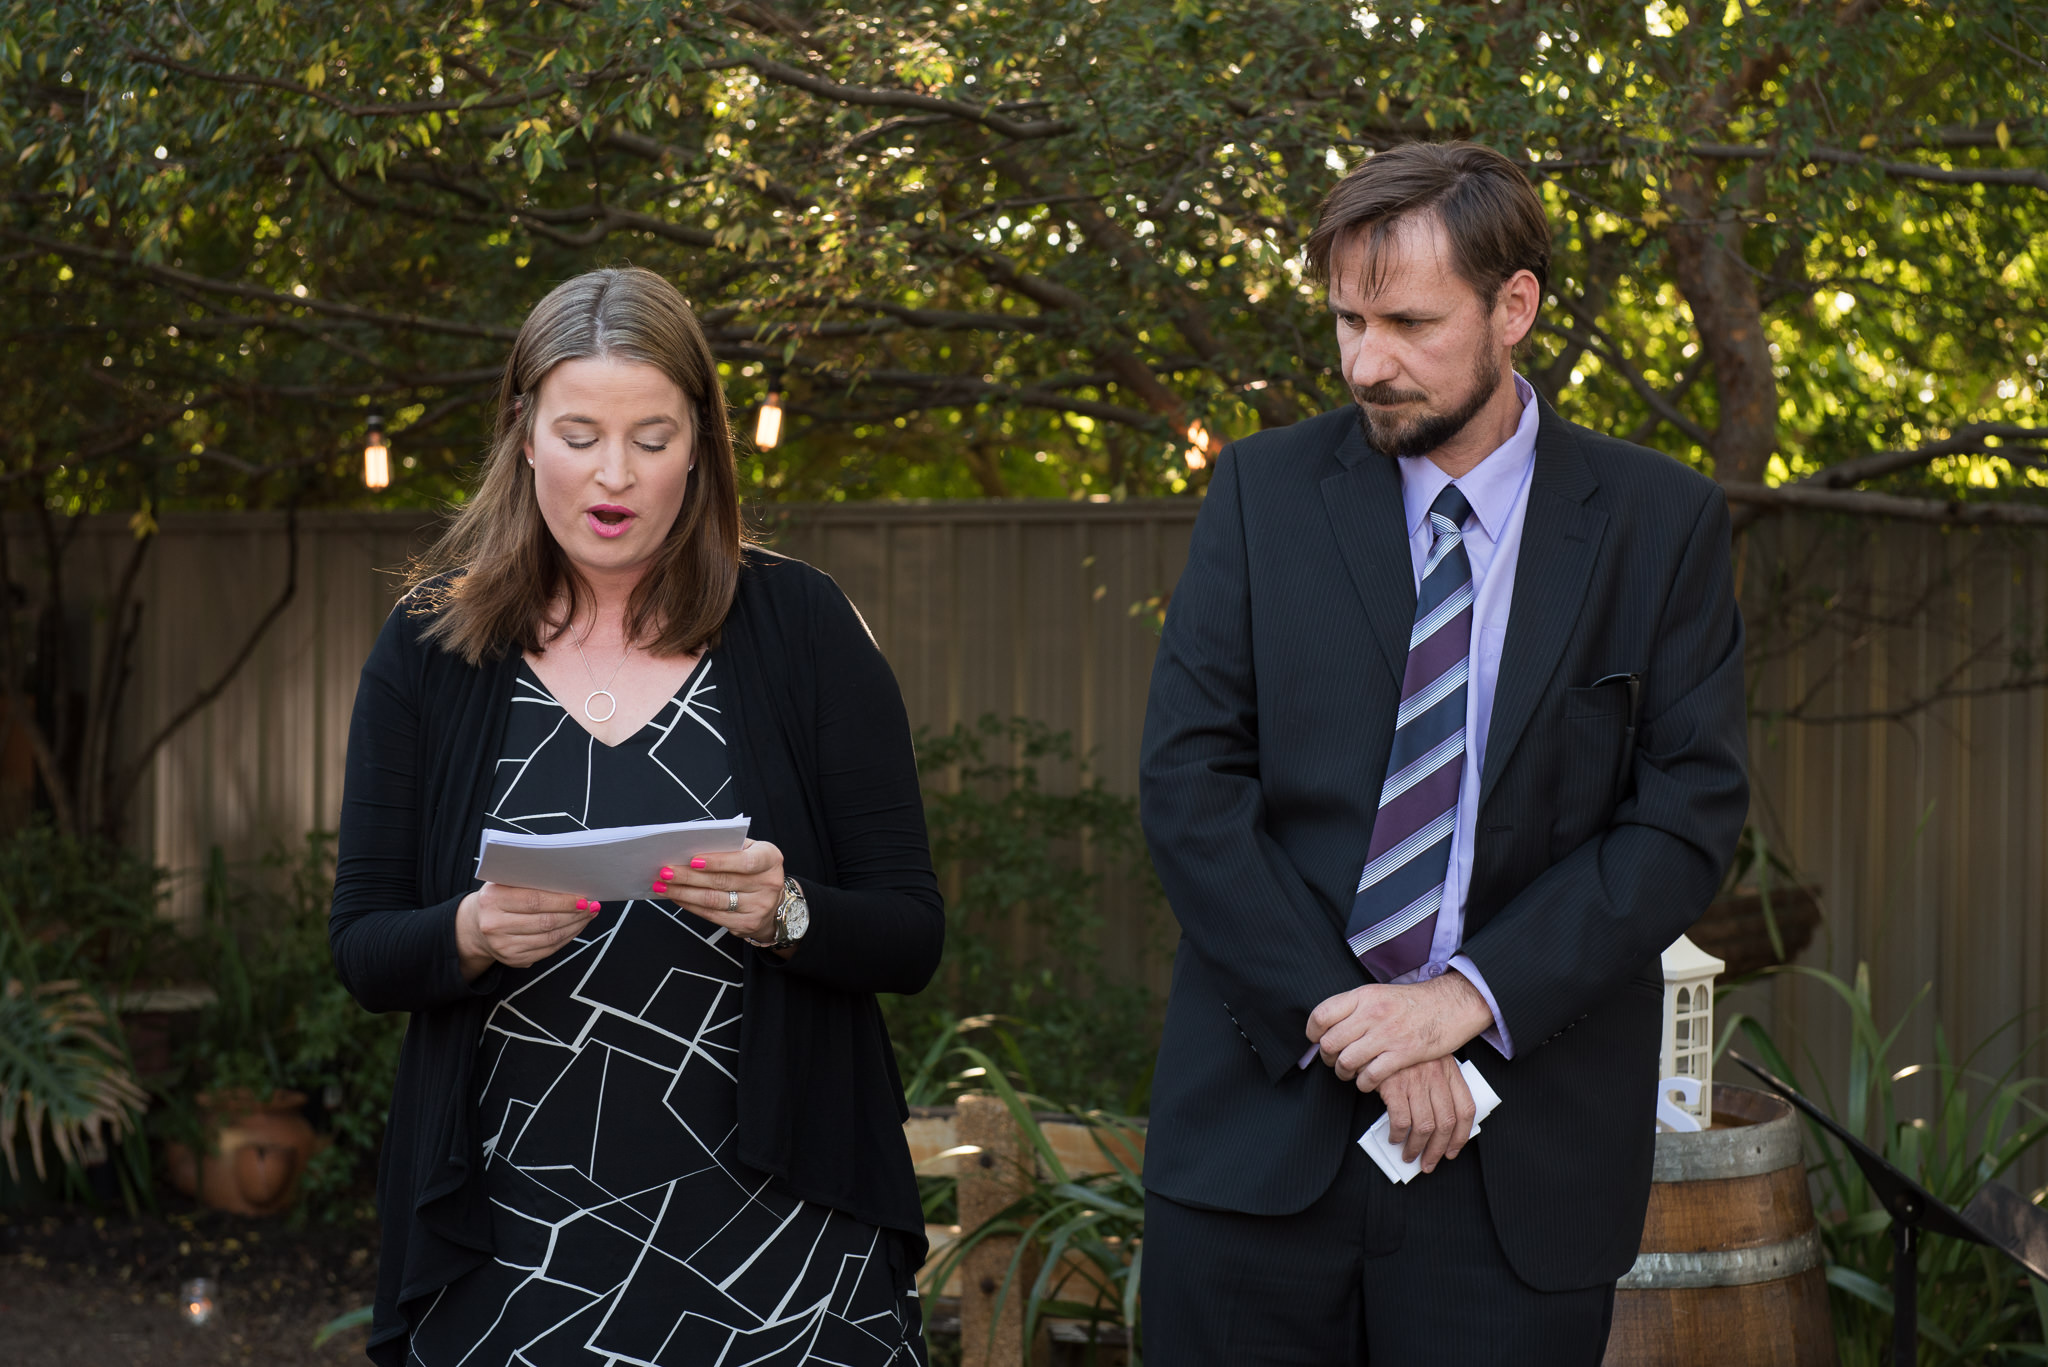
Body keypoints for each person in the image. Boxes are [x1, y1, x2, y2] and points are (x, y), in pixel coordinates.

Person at [1136, 141, 1748, 1362]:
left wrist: (1463, 1001)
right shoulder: (1260, 494)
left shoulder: (1655, 522)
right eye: (1346, 321)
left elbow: (1684, 817)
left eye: (1408, 322)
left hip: (1520, 1174)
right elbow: (1188, 785)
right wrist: (1363, 1024)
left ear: (1511, 306)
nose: (1368, 362)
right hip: (1261, 1140)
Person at [330, 266, 942, 1367]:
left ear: (701, 443)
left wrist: (785, 911)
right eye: (579, 432)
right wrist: (467, 933)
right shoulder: (430, 647)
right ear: (522, 435)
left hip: (780, 1238)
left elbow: (910, 930)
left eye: (652, 438)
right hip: (515, 1240)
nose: (614, 475)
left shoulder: (799, 625)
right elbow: (364, 946)